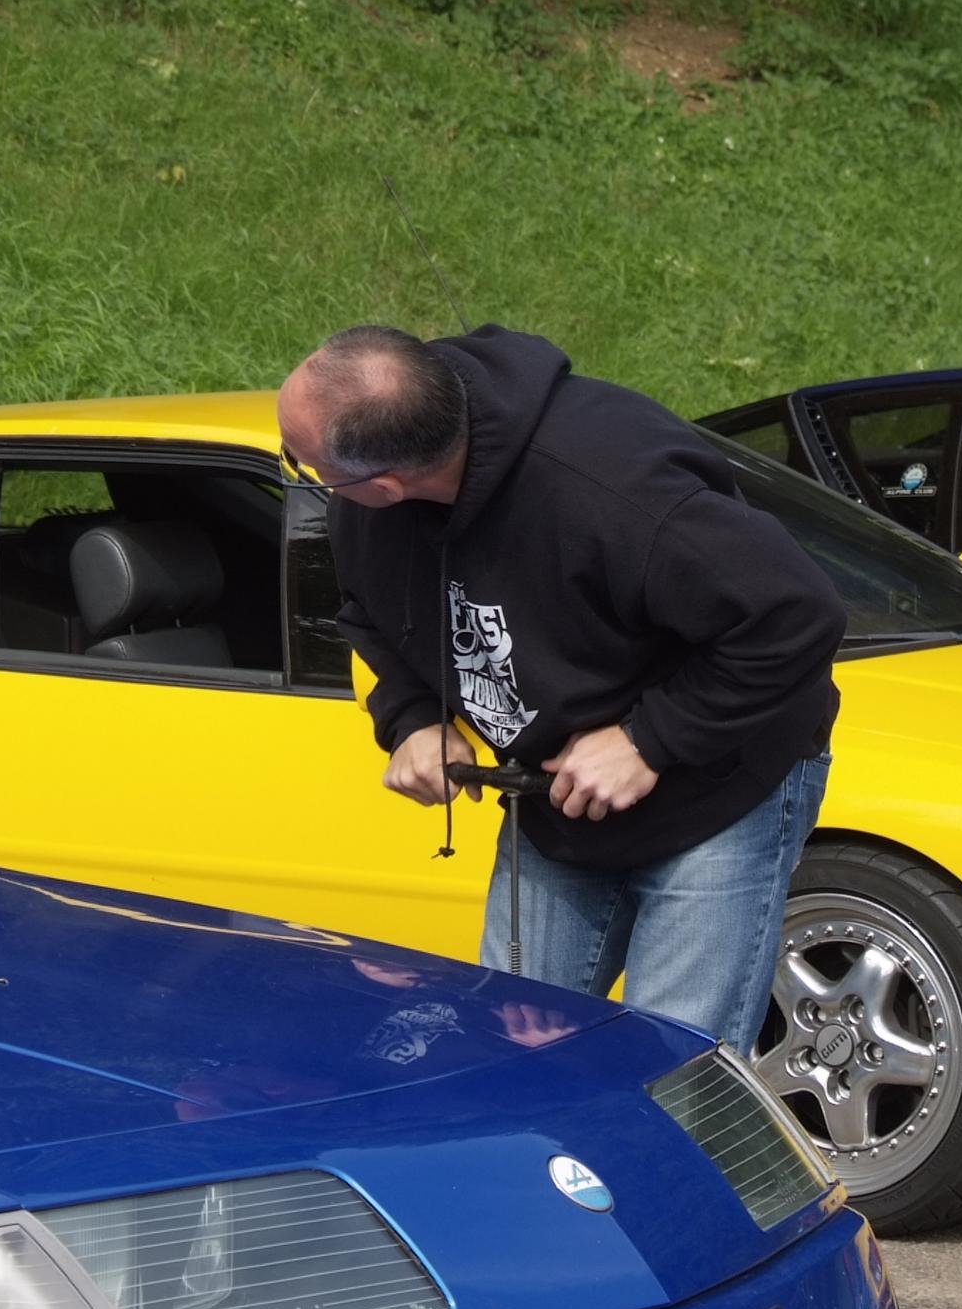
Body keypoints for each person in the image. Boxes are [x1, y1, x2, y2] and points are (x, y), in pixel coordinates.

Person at [275, 324, 845, 1049]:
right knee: (506, 1047)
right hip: (554, 800)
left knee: (671, 1063)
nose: (303, 475)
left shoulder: (615, 488)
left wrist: (648, 740)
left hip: (720, 786)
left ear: (383, 482)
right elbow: (369, 615)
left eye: (302, 461)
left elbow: (797, 616)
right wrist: (414, 717)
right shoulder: (368, 510)